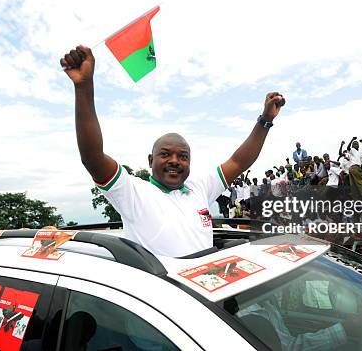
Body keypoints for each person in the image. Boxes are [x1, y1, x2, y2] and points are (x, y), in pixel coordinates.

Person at [61, 45, 285, 257]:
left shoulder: (200, 189)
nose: (175, 161)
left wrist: (265, 120)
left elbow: (238, 162)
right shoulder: (133, 192)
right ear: (150, 160)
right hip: (160, 297)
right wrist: (83, 87)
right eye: (165, 154)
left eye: (183, 156)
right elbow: (92, 157)